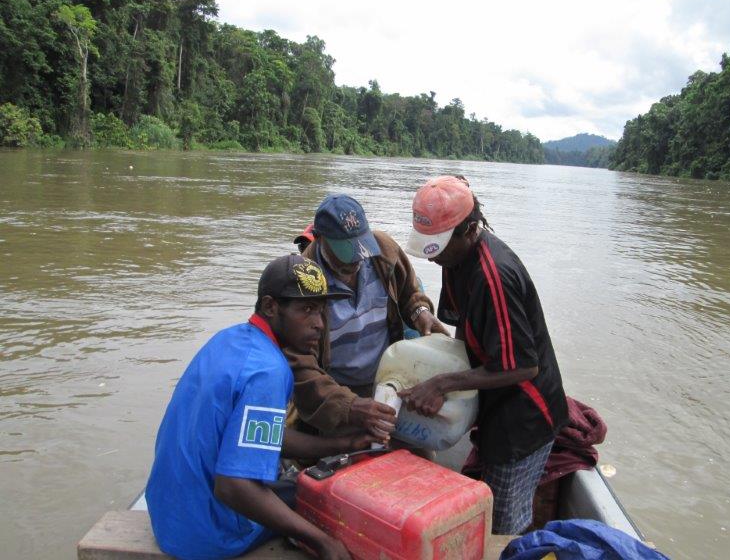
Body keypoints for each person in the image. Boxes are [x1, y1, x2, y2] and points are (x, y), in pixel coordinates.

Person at [145, 254, 380, 560]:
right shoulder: (269, 371)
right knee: (327, 500)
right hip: (209, 536)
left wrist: (340, 444)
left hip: (168, 516)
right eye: (306, 310)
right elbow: (233, 487)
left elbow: (257, 434)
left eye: (322, 311)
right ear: (270, 307)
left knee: (296, 479)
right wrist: (322, 541)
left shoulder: (227, 339)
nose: (320, 324)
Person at [399, 175, 569, 535]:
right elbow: (463, 334)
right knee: (490, 503)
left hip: (524, 417)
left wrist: (442, 383)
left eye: (439, 245)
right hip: (495, 405)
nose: (433, 257)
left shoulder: (494, 276)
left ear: (470, 229)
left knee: (505, 520)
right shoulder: (455, 262)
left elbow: (523, 366)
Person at [285, 194, 448, 439]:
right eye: (345, 251)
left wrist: (420, 313)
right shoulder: (302, 281)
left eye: (361, 246)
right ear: (320, 240)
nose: (357, 259)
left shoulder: (384, 252)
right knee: (346, 454)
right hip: (335, 387)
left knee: (415, 451)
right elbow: (300, 365)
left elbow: (410, 294)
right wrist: (350, 406)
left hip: (386, 375)